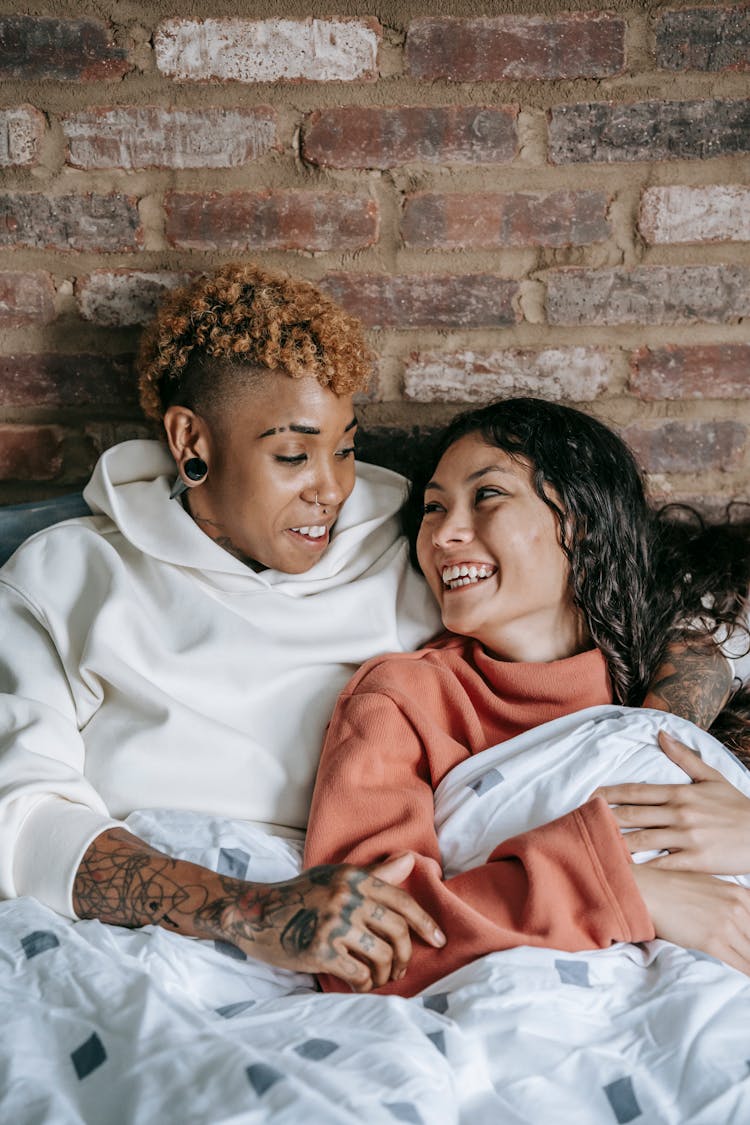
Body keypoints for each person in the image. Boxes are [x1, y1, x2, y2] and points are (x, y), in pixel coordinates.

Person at [0, 266, 738, 993]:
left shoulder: (404, 536)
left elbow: (651, 606)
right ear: (192, 441)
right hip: (210, 919)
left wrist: (651, 774)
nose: (332, 488)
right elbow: (19, 819)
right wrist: (250, 911)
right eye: (293, 455)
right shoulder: (64, 579)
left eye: (347, 448)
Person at [304, 397, 750, 996]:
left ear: (581, 521)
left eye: (487, 495)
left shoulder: (668, 673)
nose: (444, 534)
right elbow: (364, 946)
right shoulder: (402, 701)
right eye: (433, 508)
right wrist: (622, 889)